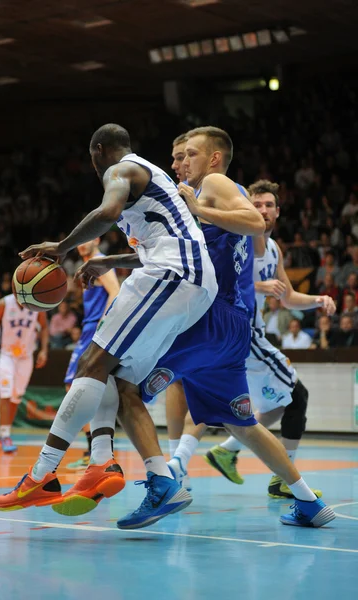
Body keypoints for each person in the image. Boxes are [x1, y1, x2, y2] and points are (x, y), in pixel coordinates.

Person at [85, 130, 334, 529]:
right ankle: (308, 501)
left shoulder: (213, 186)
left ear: (215, 159)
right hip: (228, 328)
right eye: (176, 156)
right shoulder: (191, 201)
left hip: (206, 316)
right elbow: (169, 254)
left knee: (118, 382)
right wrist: (111, 261)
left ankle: (159, 481)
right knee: (242, 424)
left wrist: (200, 209)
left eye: (188, 155)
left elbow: (255, 220)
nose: (178, 163)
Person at [0, 123, 218, 524]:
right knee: (118, 383)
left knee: (91, 364)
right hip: (191, 281)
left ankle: (42, 475)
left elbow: (107, 212)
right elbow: (161, 242)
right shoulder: (152, 177)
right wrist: (109, 261)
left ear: (98, 151)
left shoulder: (121, 170)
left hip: (173, 274)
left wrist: (59, 248)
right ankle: (155, 479)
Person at [170, 179, 335, 502]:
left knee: (254, 405)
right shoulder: (244, 235)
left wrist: (318, 299)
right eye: (256, 204)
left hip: (237, 334)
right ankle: (282, 479)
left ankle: (193, 459)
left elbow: (286, 297)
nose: (262, 210)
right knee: (296, 396)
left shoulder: (273, 248)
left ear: (278, 210)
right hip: (242, 331)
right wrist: (259, 288)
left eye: (268, 205)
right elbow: (229, 276)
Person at [65, 240, 120, 471]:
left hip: (94, 330)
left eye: (85, 239)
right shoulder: (91, 264)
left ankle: (93, 450)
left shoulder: (99, 263)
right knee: (89, 389)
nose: (80, 245)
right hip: (90, 329)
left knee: (74, 386)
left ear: (97, 239)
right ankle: (97, 450)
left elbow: (116, 290)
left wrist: (102, 322)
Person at [0, 293, 49, 452]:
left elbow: (44, 327)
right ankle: (5, 434)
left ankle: (4, 435)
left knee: (16, 397)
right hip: (5, 355)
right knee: (5, 394)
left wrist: (44, 350)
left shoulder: (37, 305)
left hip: (25, 356)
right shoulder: (3, 304)